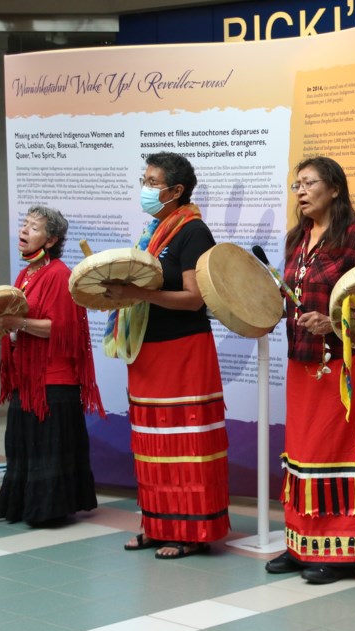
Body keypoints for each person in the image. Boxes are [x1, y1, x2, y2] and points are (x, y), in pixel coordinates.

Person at [263, 156, 355, 584]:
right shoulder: (298, 236)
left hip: (341, 366)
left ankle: (340, 550)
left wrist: (334, 324)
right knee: (302, 452)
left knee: (335, 451)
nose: (300, 190)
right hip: (302, 361)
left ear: (334, 188)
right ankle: (301, 544)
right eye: (296, 183)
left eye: (309, 182)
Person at [105, 152, 229, 559]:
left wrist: (138, 294)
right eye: (144, 179)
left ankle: (189, 531)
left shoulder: (193, 232)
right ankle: (157, 524)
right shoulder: (154, 231)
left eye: (152, 181)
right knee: (151, 443)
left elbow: (195, 300)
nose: (145, 188)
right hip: (148, 350)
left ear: (175, 191)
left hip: (183, 352)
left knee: (184, 443)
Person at [0, 206, 104, 526]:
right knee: (22, 445)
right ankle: (25, 505)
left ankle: (49, 509)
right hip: (26, 377)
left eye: (34, 227)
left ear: (52, 239)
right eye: (24, 225)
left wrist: (19, 323)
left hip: (52, 382)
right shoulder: (26, 274)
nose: (24, 231)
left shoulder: (59, 274)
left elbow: (62, 330)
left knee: (47, 447)